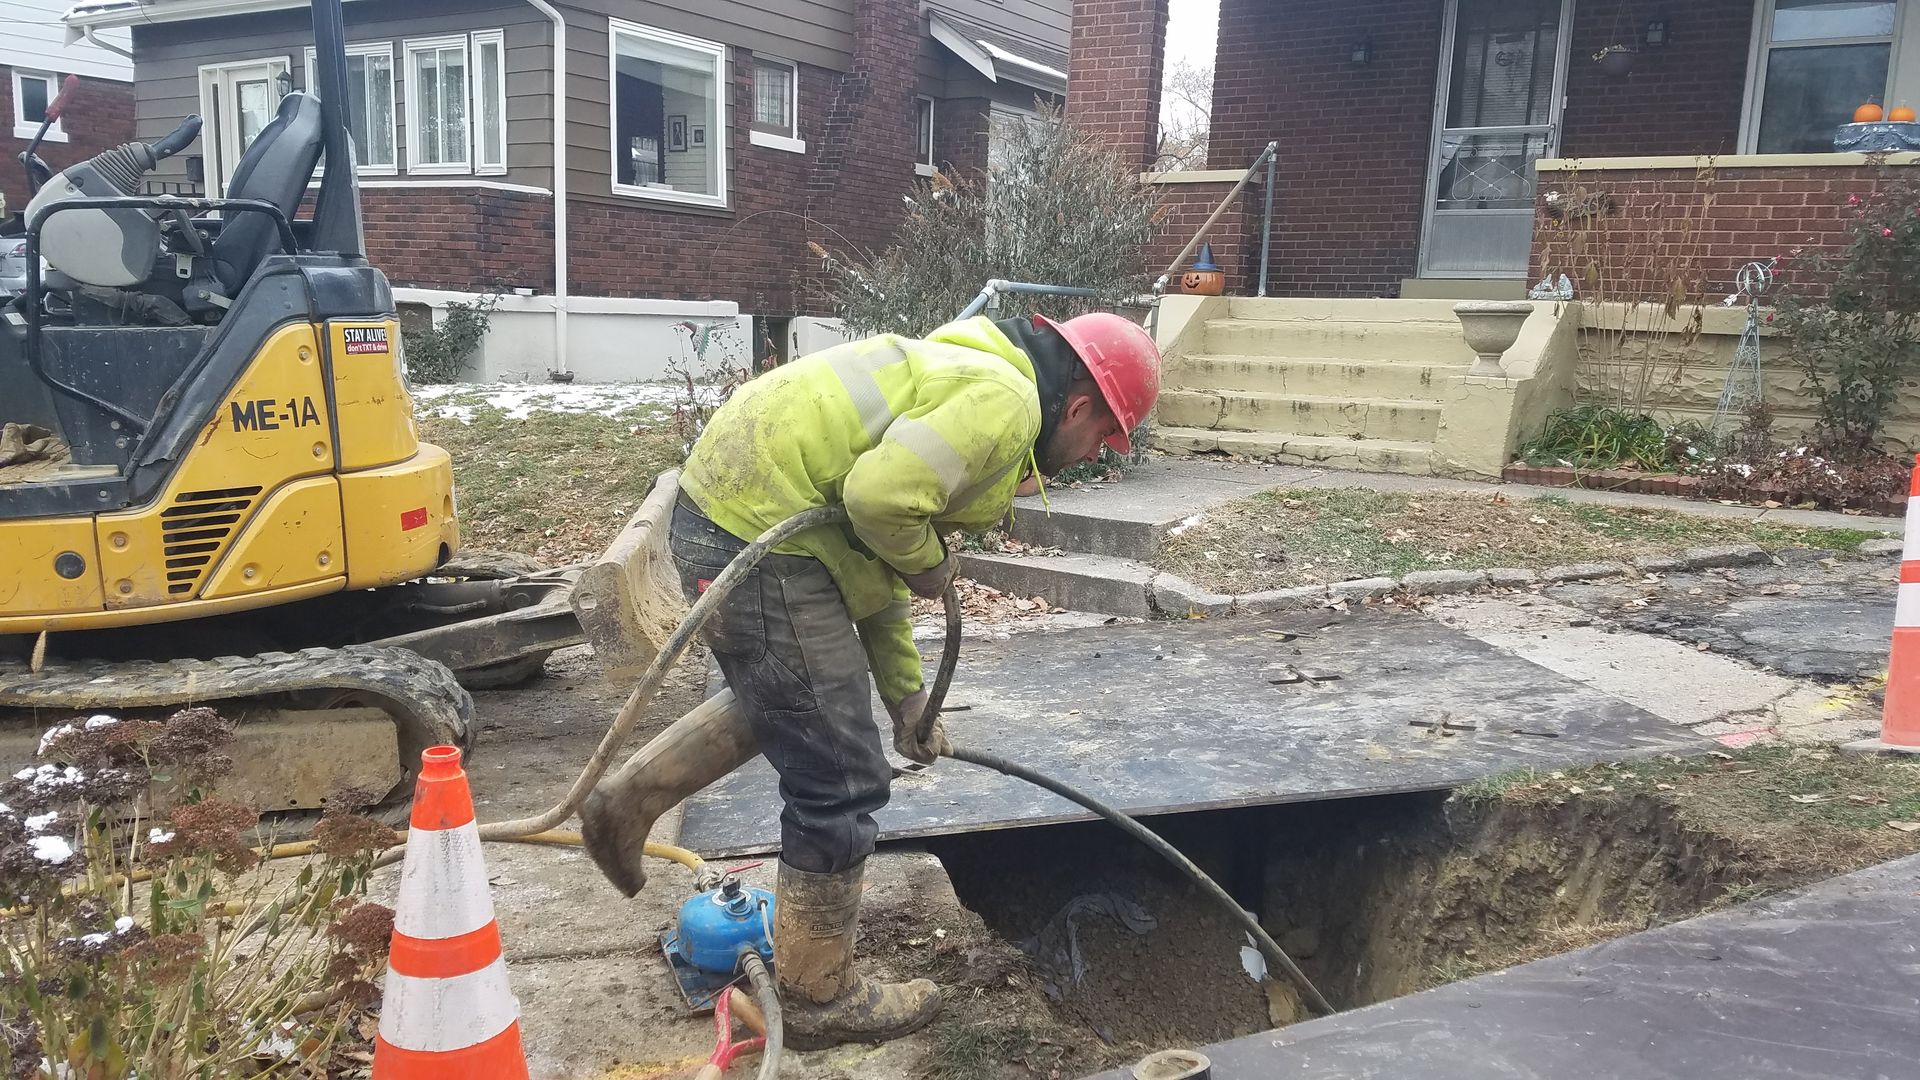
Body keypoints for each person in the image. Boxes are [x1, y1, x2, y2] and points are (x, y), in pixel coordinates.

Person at [580, 311, 1160, 1048]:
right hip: (760, 526)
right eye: (1106, 435)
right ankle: (819, 997)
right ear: (1079, 405)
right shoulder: (1002, 403)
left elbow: (871, 558)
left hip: (731, 505)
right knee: (843, 775)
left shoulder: (975, 377)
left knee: (800, 698)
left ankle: (624, 801)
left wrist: (906, 698)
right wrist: (930, 568)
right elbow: (881, 503)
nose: (1096, 454)